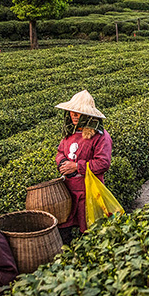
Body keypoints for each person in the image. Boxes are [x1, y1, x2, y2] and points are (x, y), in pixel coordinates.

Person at [54, 90, 113, 237]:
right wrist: (62, 162)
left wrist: (76, 166)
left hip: (88, 191)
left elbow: (103, 163)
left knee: (87, 230)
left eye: (78, 113)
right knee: (64, 230)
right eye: (72, 112)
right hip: (68, 190)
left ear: (87, 115)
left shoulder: (100, 137)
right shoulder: (70, 132)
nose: (74, 115)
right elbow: (60, 151)